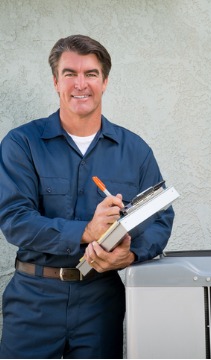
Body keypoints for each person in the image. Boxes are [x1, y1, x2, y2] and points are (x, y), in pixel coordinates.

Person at [0, 34, 175, 358]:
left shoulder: (134, 150)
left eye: (91, 74)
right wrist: (86, 231)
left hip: (101, 299)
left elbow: (160, 217)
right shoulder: (22, 143)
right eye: (70, 73)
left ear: (105, 81)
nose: (81, 84)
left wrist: (131, 255)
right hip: (33, 301)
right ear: (56, 81)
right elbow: (14, 220)